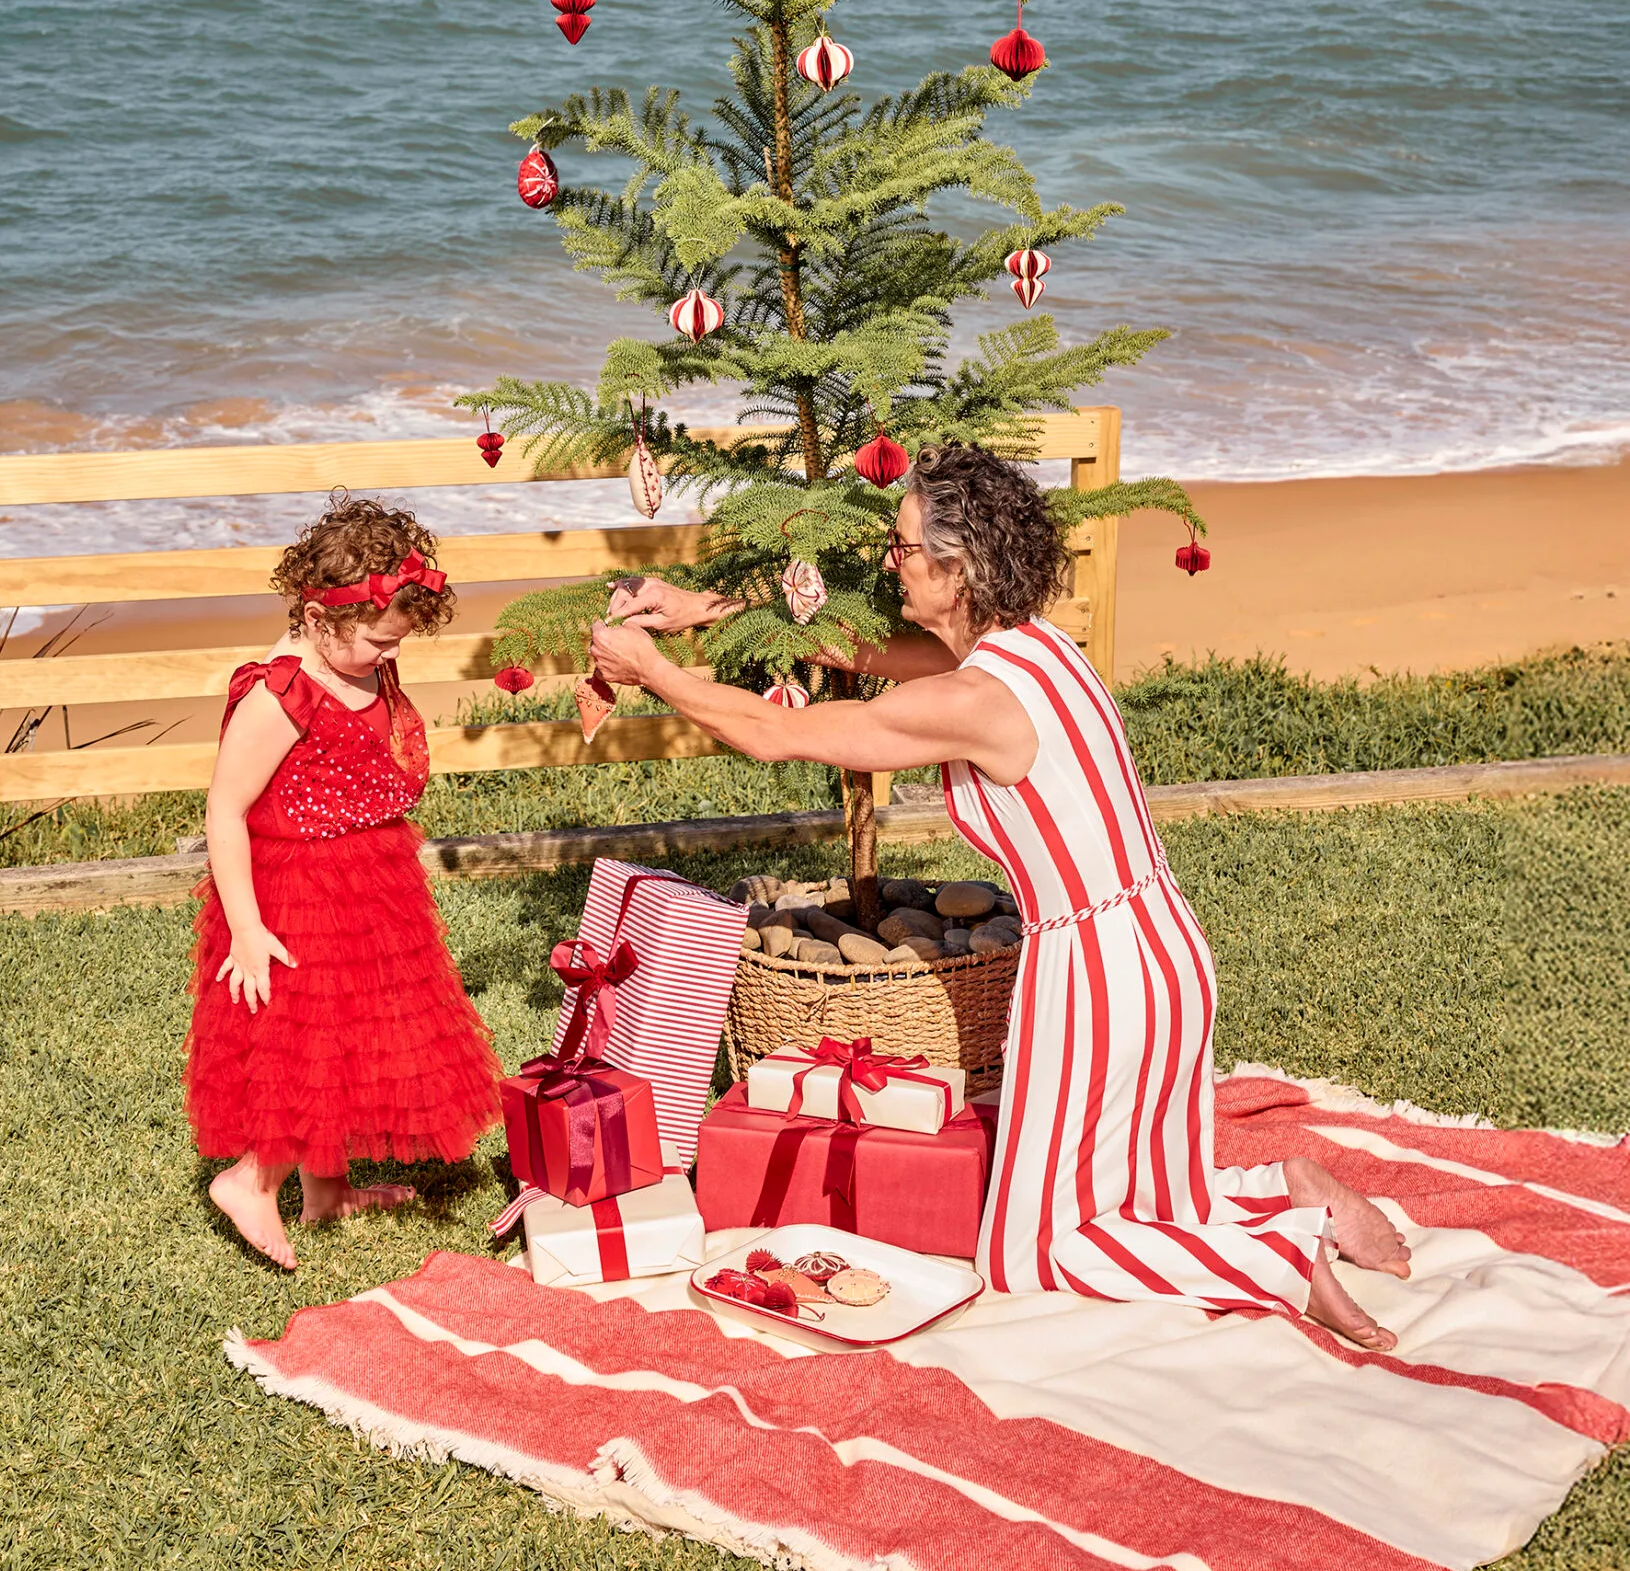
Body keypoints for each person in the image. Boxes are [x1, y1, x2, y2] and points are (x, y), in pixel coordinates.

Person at [590, 441, 1411, 1349]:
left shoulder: (976, 697)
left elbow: (779, 734)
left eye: (904, 549)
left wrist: (654, 676)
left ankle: (1281, 1261)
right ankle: (1282, 1189)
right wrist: (703, 610)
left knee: (1037, 1254)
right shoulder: (1034, 647)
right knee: (1142, 1192)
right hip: (1163, 952)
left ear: (957, 570)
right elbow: (858, 643)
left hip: (1095, 976)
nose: (889, 562)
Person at [186, 493, 500, 1270]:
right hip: (296, 892)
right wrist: (250, 929)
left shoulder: (355, 655)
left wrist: (376, 657)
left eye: (399, 645)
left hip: (367, 877)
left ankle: (328, 1192)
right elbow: (225, 810)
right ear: (320, 617)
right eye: (377, 643)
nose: (388, 658)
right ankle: (253, 1180)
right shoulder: (281, 693)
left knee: (355, 1034)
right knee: (306, 1042)